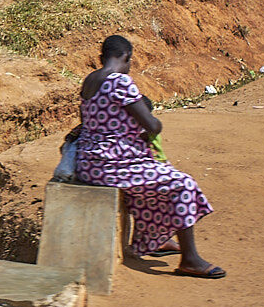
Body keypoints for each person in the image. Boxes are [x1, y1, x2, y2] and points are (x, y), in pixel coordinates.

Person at [74, 35, 224, 278]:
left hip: (89, 163)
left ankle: (157, 239)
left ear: (102, 58)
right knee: (181, 183)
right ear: (127, 59)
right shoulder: (121, 82)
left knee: (151, 176)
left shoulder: (90, 81)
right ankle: (190, 259)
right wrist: (153, 126)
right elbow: (151, 124)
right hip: (111, 165)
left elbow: (96, 124)